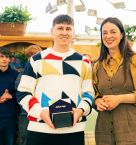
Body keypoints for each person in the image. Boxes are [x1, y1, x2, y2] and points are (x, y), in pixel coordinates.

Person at [16, 14, 94, 145]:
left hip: (73, 130)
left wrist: (80, 111)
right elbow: (23, 93)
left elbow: (89, 93)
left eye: (68, 28)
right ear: (51, 31)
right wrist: (41, 113)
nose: (64, 32)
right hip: (39, 129)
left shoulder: (84, 61)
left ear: (74, 32)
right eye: (60, 28)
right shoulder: (36, 59)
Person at [93, 17, 136, 145]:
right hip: (104, 130)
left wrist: (119, 99)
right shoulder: (97, 65)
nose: (108, 36)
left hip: (133, 129)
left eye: (113, 32)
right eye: (104, 33)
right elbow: (95, 93)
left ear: (121, 35)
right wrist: (97, 101)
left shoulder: (135, 60)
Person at [15, 45, 42, 145]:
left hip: (41, 113)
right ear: (28, 57)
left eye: (37, 55)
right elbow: (20, 90)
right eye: (32, 55)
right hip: (25, 114)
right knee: (25, 140)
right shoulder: (23, 72)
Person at [0, 47, 19, 145]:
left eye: (7, 57)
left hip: (11, 117)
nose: (4, 59)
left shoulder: (16, 75)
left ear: (10, 59)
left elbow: (21, 93)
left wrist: (11, 96)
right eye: (1, 56)